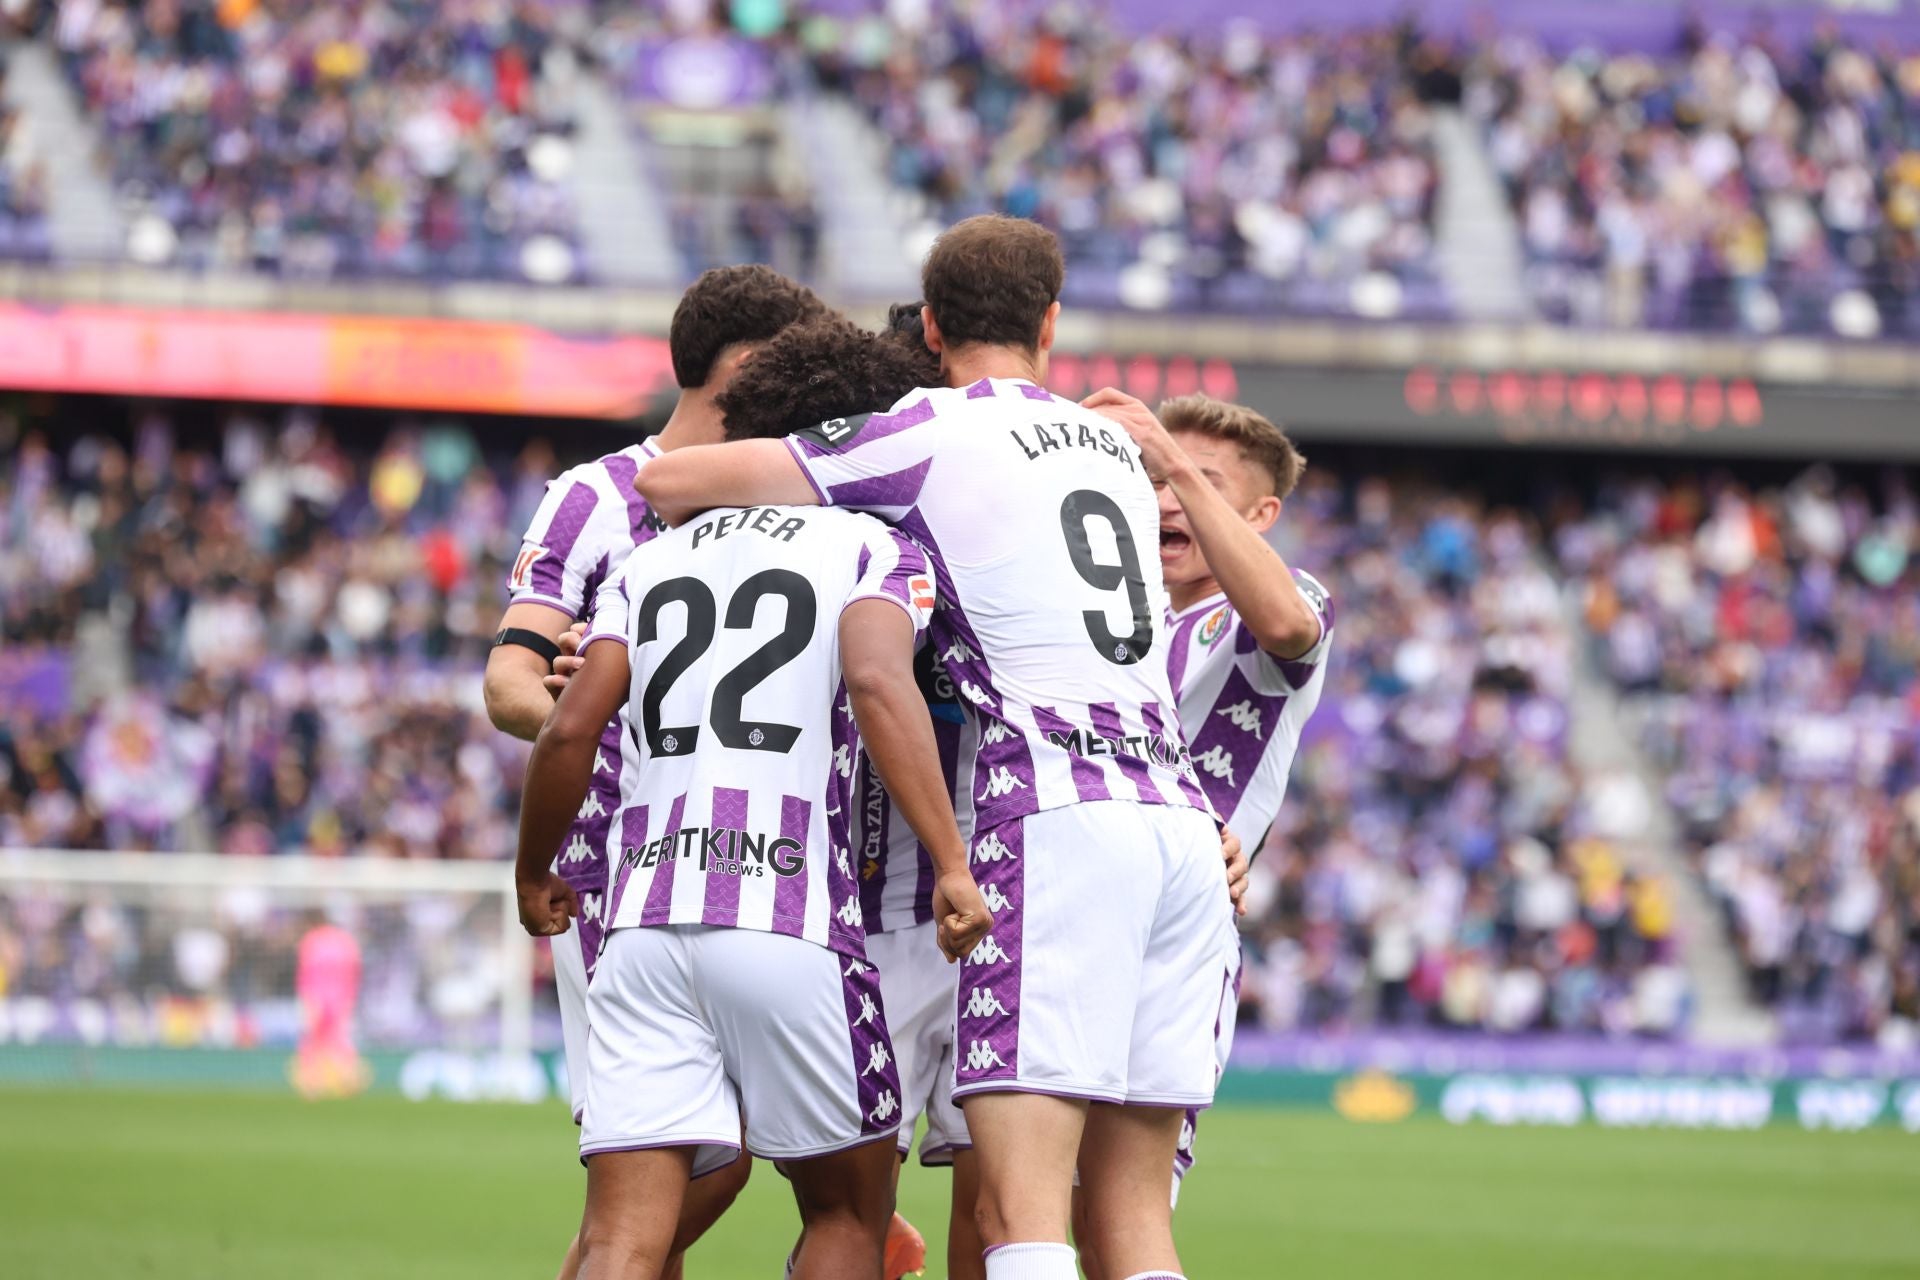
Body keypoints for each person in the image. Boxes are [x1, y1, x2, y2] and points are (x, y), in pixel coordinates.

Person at [638, 214, 1239, 1280]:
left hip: (1052, 812)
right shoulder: (1112, 445)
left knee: (1019, 1211)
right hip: (1180, 823)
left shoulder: (924, 428)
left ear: (929, 326)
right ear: (1050, 323)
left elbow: (671, 483)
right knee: (1135, 1221)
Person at [514, 316, 994, 1280]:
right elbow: (878, 682)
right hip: (790, 914)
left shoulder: (651, 560)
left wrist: (534, 870)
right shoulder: (873, 546)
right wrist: (951, 861)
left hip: (644, 926)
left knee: (621, 1235)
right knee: (848, 1215)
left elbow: (568, 730)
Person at [482, 264, 826, 1280]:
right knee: (675, 1169)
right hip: (617, 875)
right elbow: (509, 681)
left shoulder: (800, 499)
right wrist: (606, 717)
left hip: (762, 866)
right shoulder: (594, 497)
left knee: (693, 1171)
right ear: (746, 366)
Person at [1069, 391, 1333, 1277]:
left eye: (1197, 482)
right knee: (1019, 1195)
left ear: (1261, 515)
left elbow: (1288, 626)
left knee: (1114, 1218)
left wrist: (1173, 459)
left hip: (1174, 927)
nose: (1165, 498)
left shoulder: (1282, 603)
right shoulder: (1103, 611)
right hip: (1072, 895)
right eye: (1149, 477)